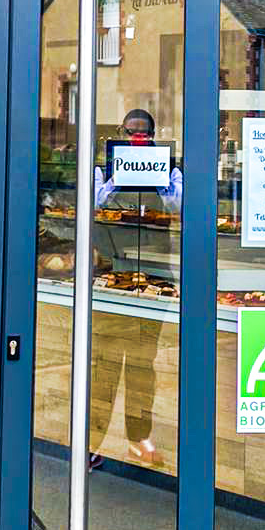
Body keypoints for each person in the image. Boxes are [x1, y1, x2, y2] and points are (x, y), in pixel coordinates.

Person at [88, 110, 182, 468]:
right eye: (130, 133)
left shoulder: (171, 170)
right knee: (105, 362)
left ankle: (139, 439)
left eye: (144, 134)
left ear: (154, 136)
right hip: (111, 274)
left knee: (144, 363)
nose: (137, 139)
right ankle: (91, 441)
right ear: (121, 133)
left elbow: (179, 206)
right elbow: (92, 204)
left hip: (155, 276)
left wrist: (160, 180)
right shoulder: (101, 170)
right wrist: (117, 179)